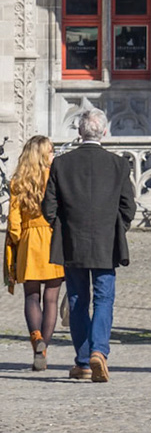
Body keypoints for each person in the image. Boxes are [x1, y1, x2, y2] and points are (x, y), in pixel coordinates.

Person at [41, 110, 134, 382]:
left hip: (72, 240)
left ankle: (83, 361)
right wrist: (117, 229)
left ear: (79, 132)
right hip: (106, 241)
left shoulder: (61, 163)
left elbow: (48, 207)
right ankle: (99, 352)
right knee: (104, 298)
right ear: (104, 132)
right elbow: (128, 206)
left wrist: (60, 227)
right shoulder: (118, 164)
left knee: (78, 300)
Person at [5, 136, 64, 372]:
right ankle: (44, 348)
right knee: (51, 298)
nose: (53, 155)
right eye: (51, 151)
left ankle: (36, 337)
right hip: (53, 239)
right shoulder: (55, 178)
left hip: (30, 242)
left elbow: (14, 222)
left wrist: (18, 242)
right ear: (42, 154)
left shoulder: (19, 181)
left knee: (31, 297)